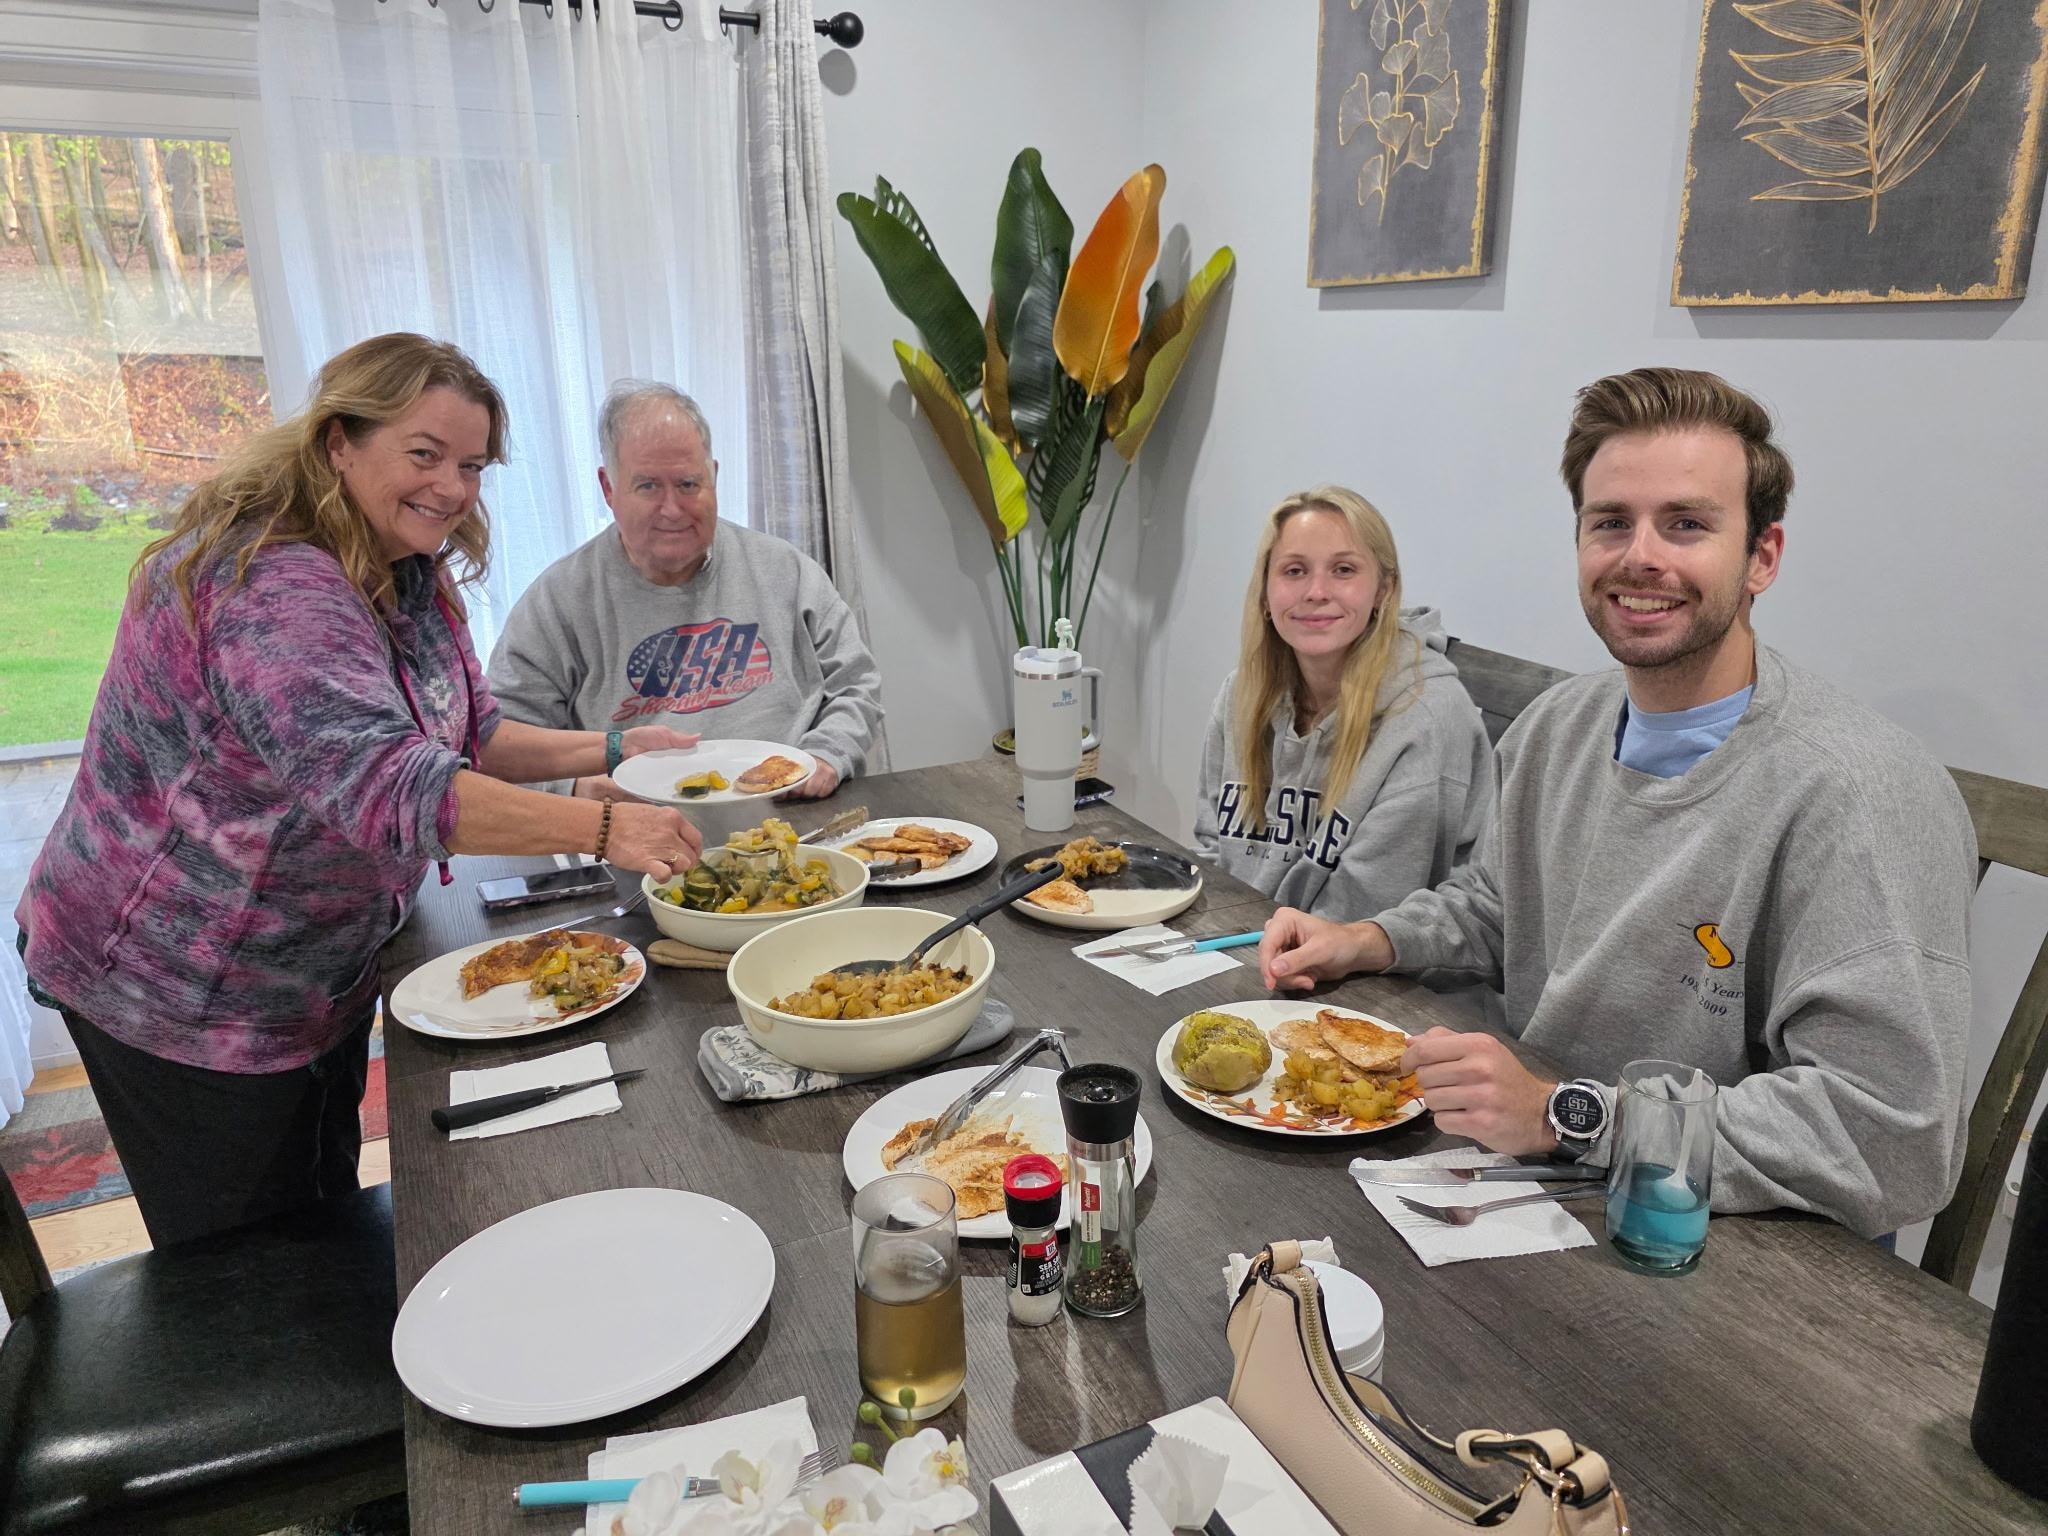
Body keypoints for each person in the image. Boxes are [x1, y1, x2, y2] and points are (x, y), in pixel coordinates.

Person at [13, 334, 705, 1246]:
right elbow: (397, 791)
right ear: (339, 440)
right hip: (187, 985)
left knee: (323, 1212)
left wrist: (613, 745)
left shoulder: (405, 566)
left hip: (313, 967)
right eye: (424, 454)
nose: (452, 488)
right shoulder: (271, 582)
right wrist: (612, 826)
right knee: (256, 1271)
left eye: (470, 464)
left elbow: (471, 734)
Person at [1258, 368, 1976, 1237]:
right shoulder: (1560, 725)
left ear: (1762, 558)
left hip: (1726, 1241)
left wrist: (1570, 1113)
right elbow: (1498, 908)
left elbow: (1892, 1137)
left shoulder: (1860, 791)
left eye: (1686, 524)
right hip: (1524, 1187)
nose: (1642, 556)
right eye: (1611, 523)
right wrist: (1367, 939)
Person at [487, 381, 883, 800]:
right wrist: (574, 788)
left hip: (789, 816)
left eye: (689, 484)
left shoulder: (787, 572)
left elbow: (856, 683)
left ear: (713, 475)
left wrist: (825, 758)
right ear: (608, 489)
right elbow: (501, 738)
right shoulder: (558, 602)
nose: (672, 509)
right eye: (648, 486)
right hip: (632, 833)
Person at [1192, 485, 1490, 918]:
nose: (1316, 591)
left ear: (1383, 591)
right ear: (1265, 594)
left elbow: (1365, 914)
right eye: (1294, 571)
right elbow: (1213, 852)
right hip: (1245, 945)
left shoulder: (1427, 716)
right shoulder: (1241, 694)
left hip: (1380, 976)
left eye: (1343, 570)